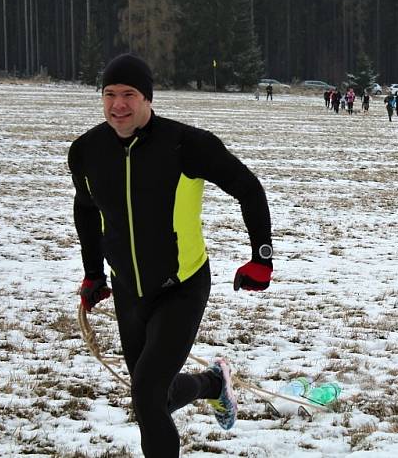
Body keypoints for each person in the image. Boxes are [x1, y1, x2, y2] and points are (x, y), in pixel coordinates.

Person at [68, 54, 274, 458]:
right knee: (151, 398)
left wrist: (261, 258)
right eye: (109, 95)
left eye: (129, 94)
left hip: (182, 286)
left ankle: (212, 386)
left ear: (148, 98)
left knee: (146, 395)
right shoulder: (87, 151)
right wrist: (94, 274)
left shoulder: (186, 144)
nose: (118, 105)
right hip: (129, 290)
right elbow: (86, 210)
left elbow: (249, 188)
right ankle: (213, 385)